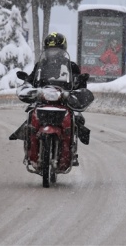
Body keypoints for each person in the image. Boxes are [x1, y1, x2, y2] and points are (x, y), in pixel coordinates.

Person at [9, 32, 91, 166]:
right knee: (30, 115)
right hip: (43, 99)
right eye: (51, 50)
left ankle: (72, 150)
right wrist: (27, 83)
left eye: (56, 50)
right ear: (46, 50)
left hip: (63, 99)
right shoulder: (41, 65)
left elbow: (79, 83)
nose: (53, 53)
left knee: (78, 118)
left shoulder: (71, 66)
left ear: (63, 50)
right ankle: (30, 147)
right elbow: (32, 79)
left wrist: (80, 84)